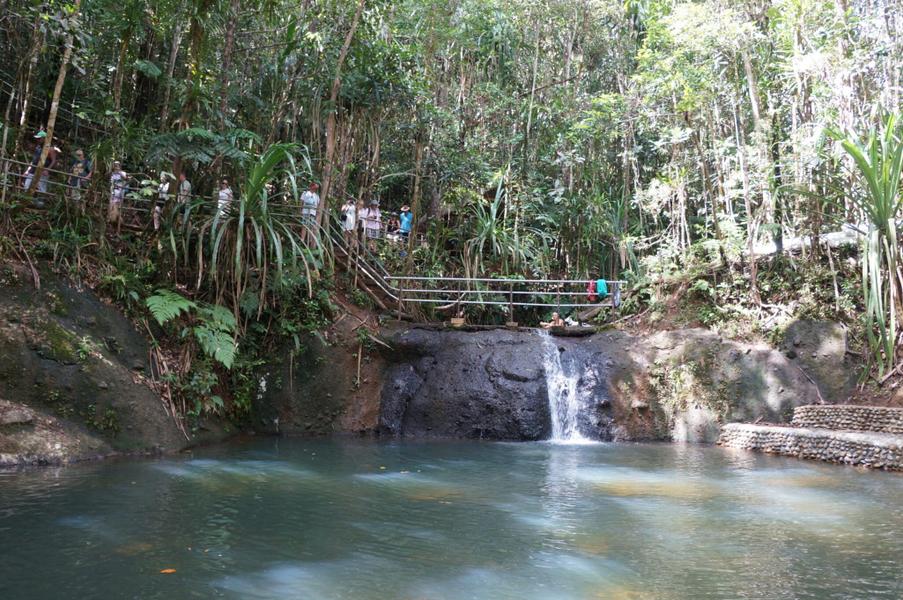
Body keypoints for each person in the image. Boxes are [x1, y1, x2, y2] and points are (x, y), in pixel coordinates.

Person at [108, 161, 128, 234]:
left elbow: (126, 179)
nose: (116, 167)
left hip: (119, 193)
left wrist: (119, 172)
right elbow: (111, 183)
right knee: (111, 206)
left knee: (117, 207)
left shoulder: (122, 173)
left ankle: (116, 222)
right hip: (113, 193)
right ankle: (117, 221)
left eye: (117, 165)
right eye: (115, 165)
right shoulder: (112, 174)